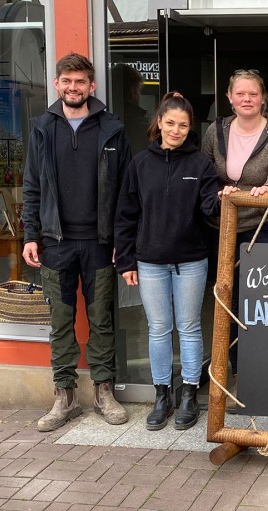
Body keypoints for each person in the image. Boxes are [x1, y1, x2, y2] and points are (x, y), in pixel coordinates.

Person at [21, 53, 132, 432]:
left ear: (92, 85)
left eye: (80, 81)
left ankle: (104, 392)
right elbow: (32, 186)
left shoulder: (112, 129)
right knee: (60, 322)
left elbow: (124, 192)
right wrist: (30, 235)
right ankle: (63, 397)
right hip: (55, 243)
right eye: (66, 81)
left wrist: (122, 238)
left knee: (102, 320)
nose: (73, 87)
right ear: (57, 84)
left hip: (99, 243)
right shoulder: (41, 128)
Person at [115, 92, 221, 431]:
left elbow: (210, 208)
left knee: (189, 328)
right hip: (150, 262)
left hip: (191, 260)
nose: (176, 130)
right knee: (158, 329)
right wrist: (127, 261)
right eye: (171, 123)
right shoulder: (140, 165)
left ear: (191, 129)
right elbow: (126, 215)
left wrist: (222, 199)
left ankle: (189, 393)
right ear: (158, 122)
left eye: (183, 125)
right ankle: (162, 395)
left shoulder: (201, 165)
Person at [203, 69, 268, 384]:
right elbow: (204, 177)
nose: (246, 99)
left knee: (258, 304)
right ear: (229, 98)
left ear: (263, 98)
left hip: (262, 229)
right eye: (240, 93)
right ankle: (235, 372)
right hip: (222, 229)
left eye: (253, 94)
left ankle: (262, 375)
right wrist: (218, 191)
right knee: (225, 301)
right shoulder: (214, 132)